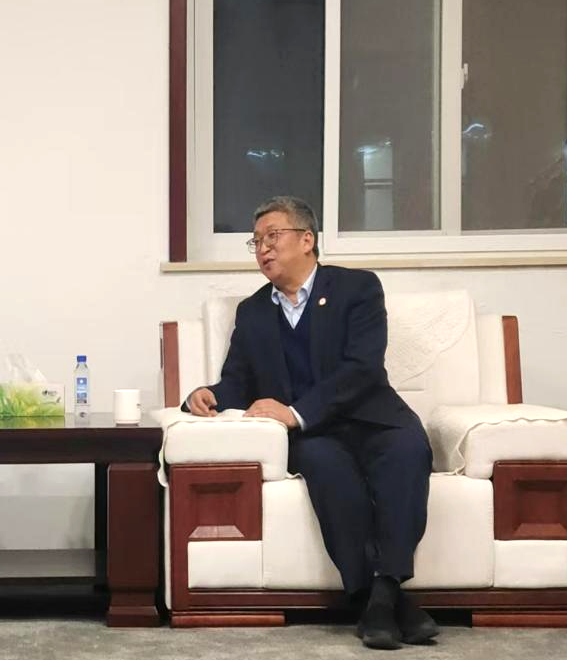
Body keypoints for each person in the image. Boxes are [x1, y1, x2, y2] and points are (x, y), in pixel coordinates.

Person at [185, 196, 437, 650]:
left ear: (307, 240)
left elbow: (363, 368)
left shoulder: (358, 288)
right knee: (329, 472)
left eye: (273, 236)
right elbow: (238, 381)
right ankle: (386, 603)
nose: (263, 248)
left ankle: (381, 595)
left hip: (374, 417)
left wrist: (295, 411)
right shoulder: (253, 311)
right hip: (314, 434)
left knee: (408, 452)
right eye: (256, 241)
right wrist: (206, 395)